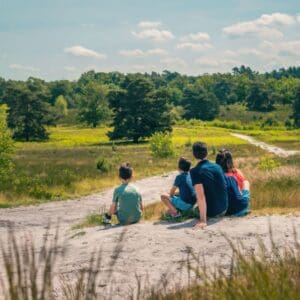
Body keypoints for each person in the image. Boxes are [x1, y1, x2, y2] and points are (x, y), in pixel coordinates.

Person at [190, 142, 228, 229]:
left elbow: (201, 196)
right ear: (207, 153)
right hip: (224, 208)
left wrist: (203, 221)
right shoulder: (217, 167)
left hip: (213, 212)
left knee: (192, 208)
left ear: (193, 155)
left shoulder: (195, 171)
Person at [216, 149, 250, 216]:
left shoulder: (217, 175)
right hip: (239, 202)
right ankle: (246, 207)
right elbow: (239, 189)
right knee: (246, 182)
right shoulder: (237, 172)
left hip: (225, 207)